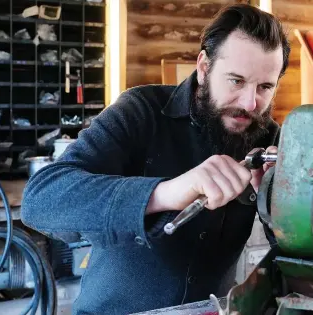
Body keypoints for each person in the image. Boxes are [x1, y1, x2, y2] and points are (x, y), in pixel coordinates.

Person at [20, 4, 291, 314]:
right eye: (236, 81)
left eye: (265, 87)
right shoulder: (140, 111)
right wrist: (164, 193)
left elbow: (292, 252)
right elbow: (41, 200)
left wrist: (276, 206)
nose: (249, 102)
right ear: (204, 68)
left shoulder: (270, 139)